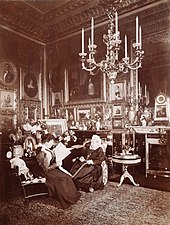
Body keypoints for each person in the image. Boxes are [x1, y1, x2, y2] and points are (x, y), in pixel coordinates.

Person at [36, 133, 81, 209]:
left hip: (51, 169)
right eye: (51, 142)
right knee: (63, 178)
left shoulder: (46, 149)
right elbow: (46, 168)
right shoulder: (42, 152)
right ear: (47, 142)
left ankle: (72, 196)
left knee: (67, 176)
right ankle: (67, 199)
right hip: (46, 172)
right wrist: (56, 164)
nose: (52, 143)